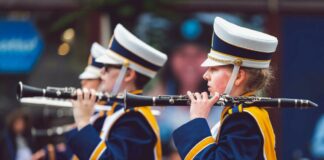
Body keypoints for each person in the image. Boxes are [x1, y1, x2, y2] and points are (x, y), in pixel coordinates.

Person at [173, 17, 278, 160]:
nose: (205, 75)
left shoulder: (242, 119)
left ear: (239, 76)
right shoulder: (241, 114)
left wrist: (198, 120)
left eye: (214, 69)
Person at [67, 24, 168, 160]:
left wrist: (84, 122)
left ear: (128, 75)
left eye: (107, 67)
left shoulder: (134, 118)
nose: (101, 72)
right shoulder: (121, 112)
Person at [32, 42, 108, 160]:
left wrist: (83, 124)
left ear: (102, 81)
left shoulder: (105, 115)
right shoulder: (96, 113)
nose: (83, 82)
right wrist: (50, 153)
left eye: (89, 78)